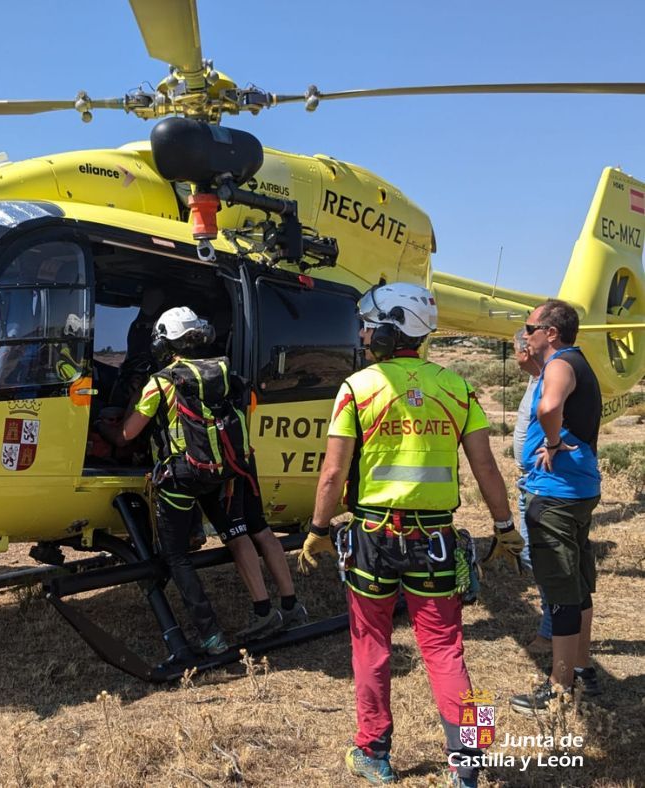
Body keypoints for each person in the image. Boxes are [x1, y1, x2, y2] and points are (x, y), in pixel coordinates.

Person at [298, 283, 521, 788]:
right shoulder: (458, 387)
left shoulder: (358, 388)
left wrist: (316, 531)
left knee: (371, 646)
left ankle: (373, 753)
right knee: (447, 652)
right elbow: (486, 467)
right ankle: (471, 760)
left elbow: (333, 474)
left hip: (373, 540)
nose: (363, 333)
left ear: (391, 328)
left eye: (369, 324)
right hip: (436, 541)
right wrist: (505, 528)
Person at [118, 306, 305, 653]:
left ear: (165, 342)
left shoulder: (161, 382)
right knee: (246, 532)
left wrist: (133, 398)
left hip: (181, 478)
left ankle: (212, 636)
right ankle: (283, 606)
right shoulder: (221, 369)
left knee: (176, 557)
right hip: (225, 473)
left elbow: (129, 433)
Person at [509, 300, 602, 714]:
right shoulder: (574, 361)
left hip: (556, 494)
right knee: (578, 587)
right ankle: (581, 669)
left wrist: (549, 443)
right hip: (578, 489)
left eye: (530, 326)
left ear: (551, 333)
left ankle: (559, 687)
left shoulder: (561, 364)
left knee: (561, 592)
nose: (524, 333)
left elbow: (548, 407)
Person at [512, 328, 553, 653]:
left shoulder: (548, 380)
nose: (514, 354)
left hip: (541, 482)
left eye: (516, 347)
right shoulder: (536, 379)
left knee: (538, 555)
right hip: (530, 479)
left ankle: (551, 631)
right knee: (534, 554)